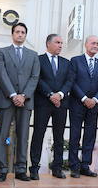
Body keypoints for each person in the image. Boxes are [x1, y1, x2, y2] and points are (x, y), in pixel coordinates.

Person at [0, 22, 39, 182]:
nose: (20, 34)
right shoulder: (2, 52)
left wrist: (23, 95)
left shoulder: (33, 55)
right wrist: (13, 95)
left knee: (23, 136)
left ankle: (21, 169)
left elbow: (35, 77)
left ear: (26, 35)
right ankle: (2, 169)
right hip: (6, 100)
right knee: (4, 136)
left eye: (23, 32)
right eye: (17, 32)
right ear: (12, 34)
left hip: (25, 101)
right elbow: (1, 74)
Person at [30, 34, 73, 180]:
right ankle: (34, 168)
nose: (60, 45)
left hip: (61, 104)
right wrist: (50, 94)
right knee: (38, 135)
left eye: (61, 43)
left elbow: (69, 81)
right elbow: (38, 79)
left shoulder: (66, 62)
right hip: (43, 103)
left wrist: (59, 95)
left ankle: (57, 168)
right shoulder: (38, 59)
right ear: (48, 43)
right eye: (57, 42)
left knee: (59, 137)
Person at [68, 36, 98, 178]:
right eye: (93, 43)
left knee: (90, 136)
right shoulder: (75, 61)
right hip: (77, 103)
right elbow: (72, 82)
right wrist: (84, 98)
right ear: (86, 45)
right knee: (75, 135)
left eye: (97, 44)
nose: (95, 46)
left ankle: (85, 165)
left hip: (93, 106)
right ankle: (74, 166)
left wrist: (95, 99)